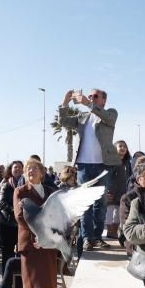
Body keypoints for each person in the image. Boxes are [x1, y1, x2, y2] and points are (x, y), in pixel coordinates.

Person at [58, 88, 119, 254]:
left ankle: (97, 236)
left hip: (103, 165)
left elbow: (108, 118)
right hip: (84, 165)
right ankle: (87, 238)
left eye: (95, 96)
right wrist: (65, 102)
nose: (91, 98)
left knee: (101, 203)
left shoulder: (110, 113)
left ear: (103, 100)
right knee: (85, 204)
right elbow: (63, 122)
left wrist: (87, 103)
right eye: (90, 96)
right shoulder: (81, 117)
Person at [13, 158, 59, 288]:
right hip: (30, 243)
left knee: (49, 281)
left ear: (42, 172)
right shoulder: (20, 191)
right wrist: (37, 235)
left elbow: (56, 216)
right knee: (29, 282)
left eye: (34, 168)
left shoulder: (50, 192)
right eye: (27, 169)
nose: (30, 171)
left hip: (48, 242)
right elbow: (20, 216)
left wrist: (47, 236)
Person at [0, 161, 23, 286]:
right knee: (7, 254)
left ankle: (18, 283)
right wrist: (15, 211)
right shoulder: (6, 184)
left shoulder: (25, 184)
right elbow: (2, 203)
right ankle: (6, 283)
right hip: (6, 223)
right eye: (15, 167)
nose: (17, 169)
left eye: (19, 167)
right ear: (11, 170)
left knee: (19, 255)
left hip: (20, 225)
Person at [107, 140, 132, 242]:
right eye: (120, 146)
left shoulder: (128, 163)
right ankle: (110, 232)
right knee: (109, 214)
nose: (122, 148)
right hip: (111, 193)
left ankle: (115, 232)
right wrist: (106, 191)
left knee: (118, 215)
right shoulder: (110, 162)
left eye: (124, 146)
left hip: (123, 194)